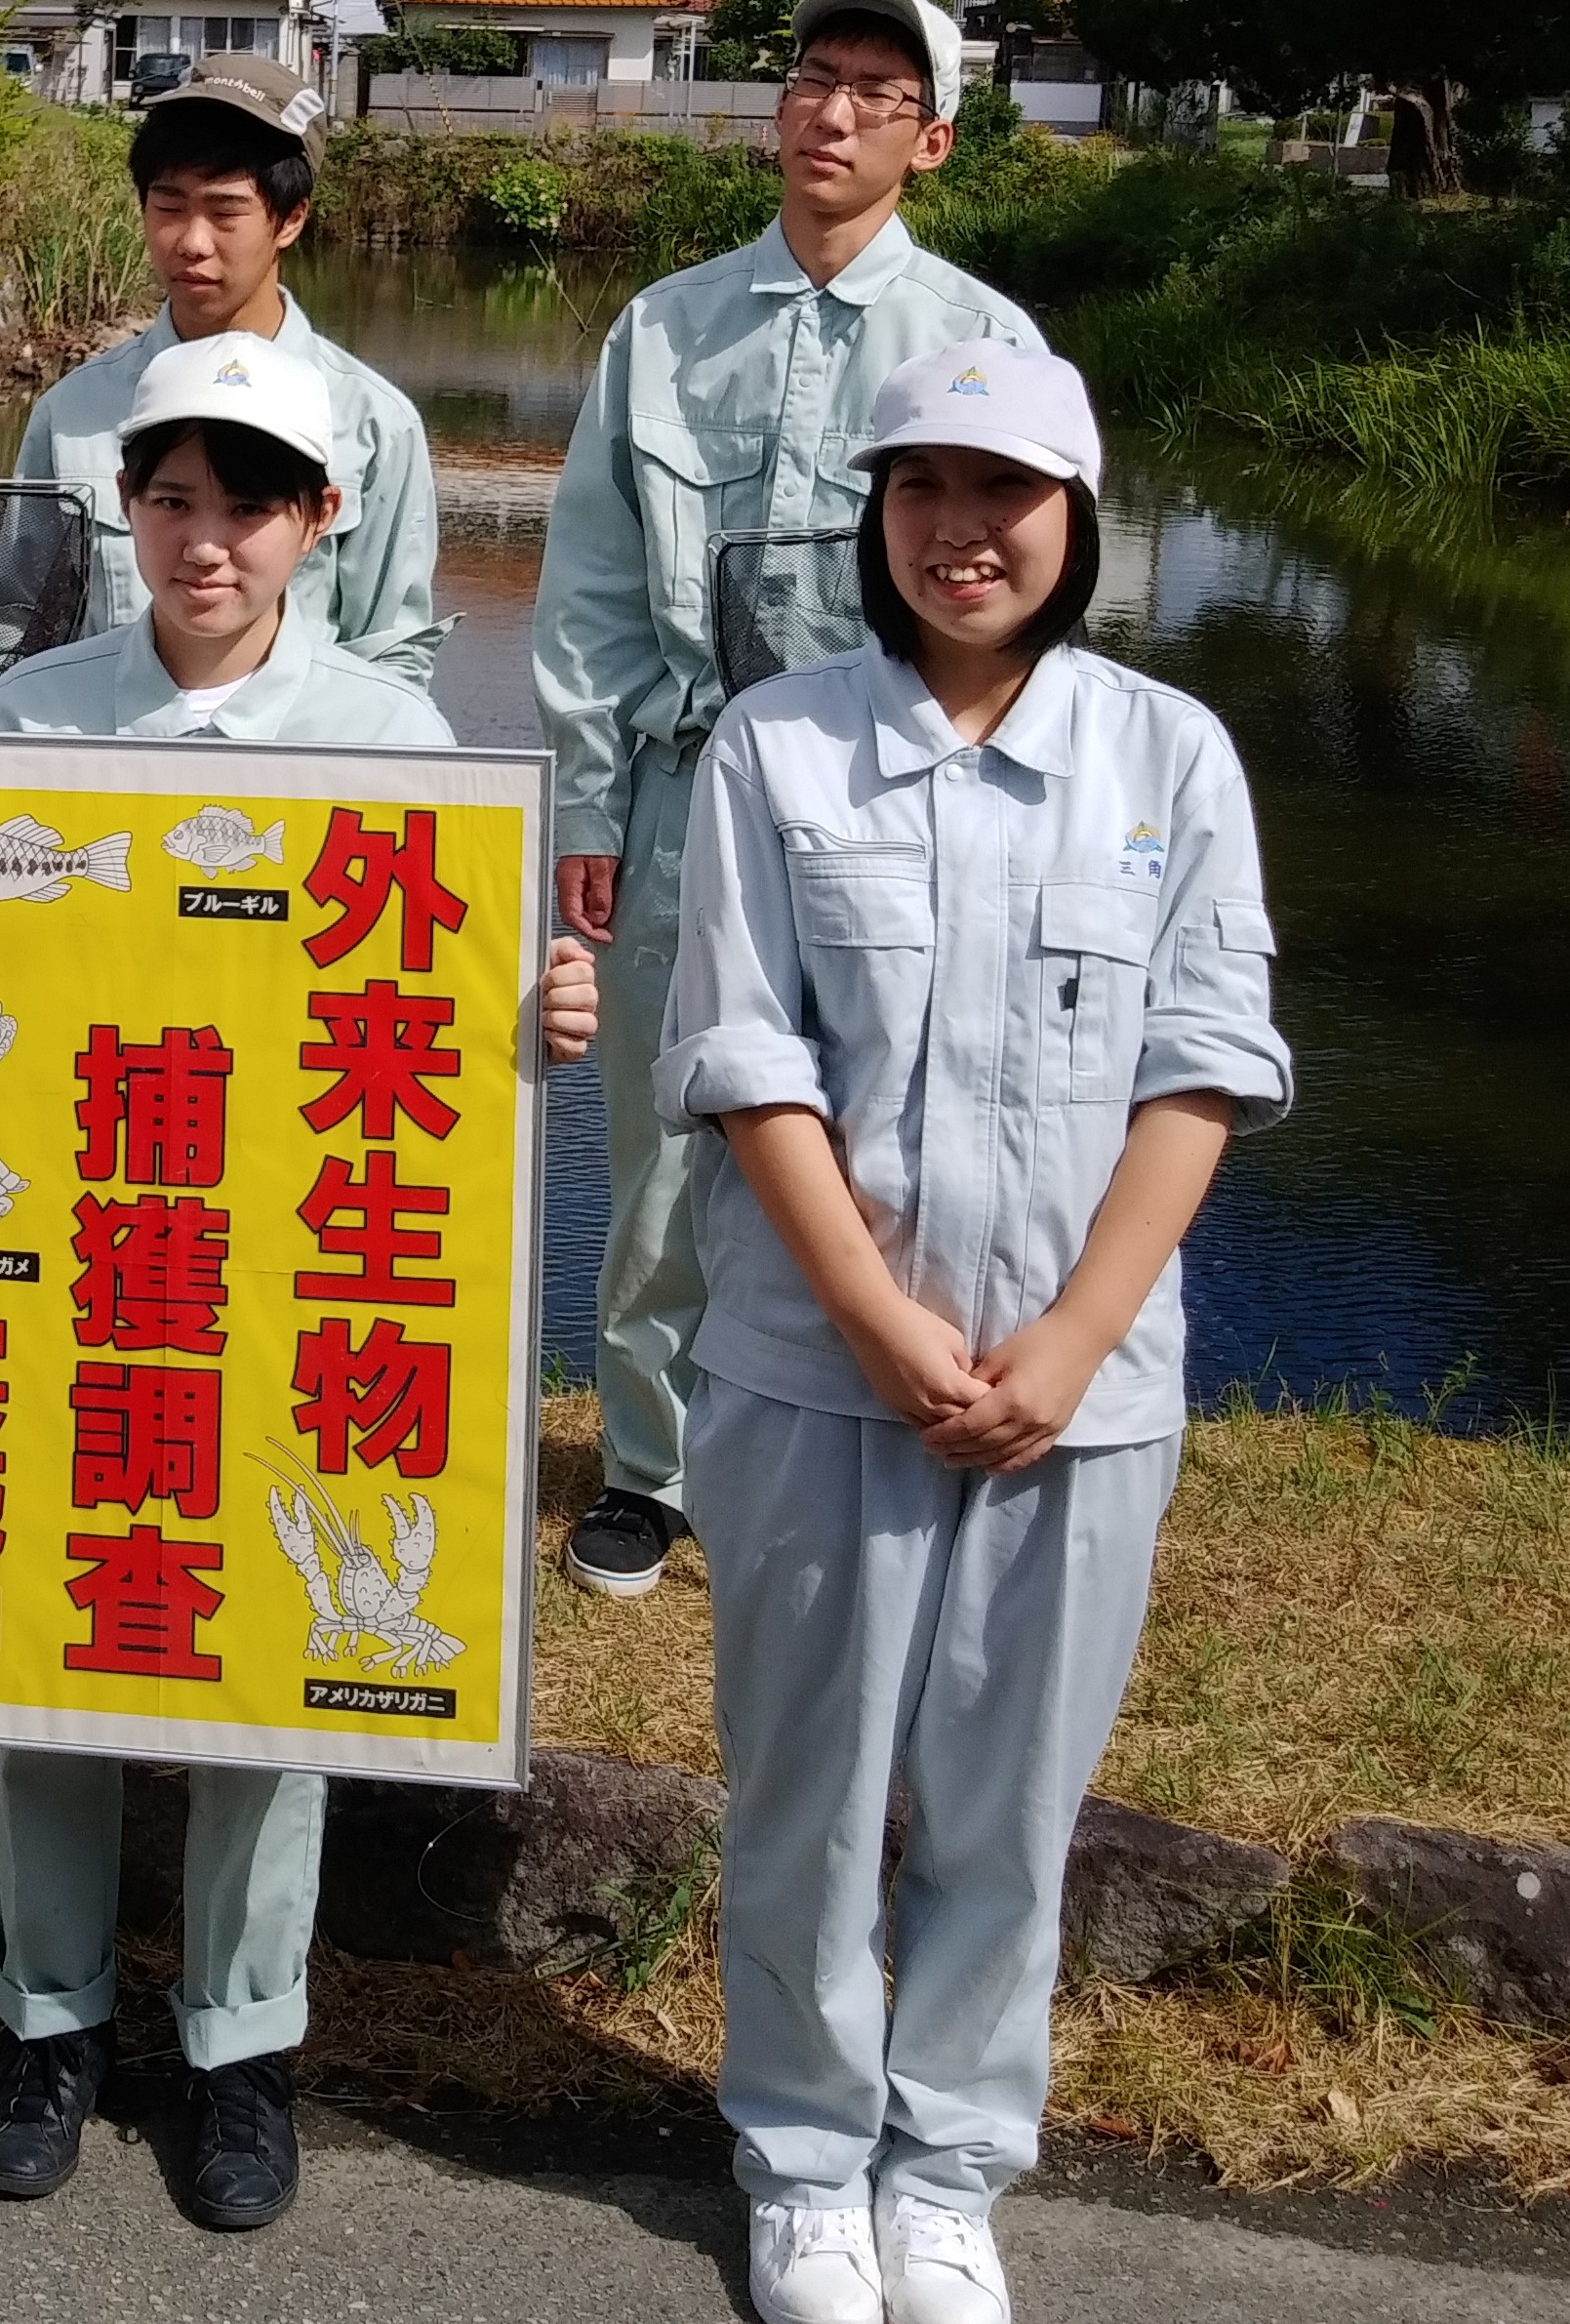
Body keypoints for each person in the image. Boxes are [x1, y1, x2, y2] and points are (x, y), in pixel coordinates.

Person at [0, 335, 597, 2233]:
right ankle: (40, 2022)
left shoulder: (396, 747)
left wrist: (534, 1017)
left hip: (270, 1287)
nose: (200, 539)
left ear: (317, 518)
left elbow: (433, 1041)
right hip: (78, 1270)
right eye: (166, 499)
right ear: (121, 511)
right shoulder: (28, 711)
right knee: (48, 1641)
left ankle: (237, 2048)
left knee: (261, 1671)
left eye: (242, 502)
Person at [655, 343, 1286, 2324]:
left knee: (1007, 1805)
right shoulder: (772, 749)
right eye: (916, 490)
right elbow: (748, 1060)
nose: (956, 533)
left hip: (1075, 1400)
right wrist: (867, 1313)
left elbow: (1198, 1067)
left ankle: (945, 2166)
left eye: (1000, 494)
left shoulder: (1165, 757)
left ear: (1073, 521)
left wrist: (1076, 1336)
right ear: (876, 521)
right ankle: (800, 2155)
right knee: (807, 1786)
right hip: (804, 1371)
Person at [532, 0, 1045, 1600]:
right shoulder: (662, 326)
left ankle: (878, 1412)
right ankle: (647, 1463)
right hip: (693, 790)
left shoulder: (982, 344)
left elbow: (1019, 590)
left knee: (901, 1115)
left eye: (874, 94)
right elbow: (592, 586)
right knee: (673, 1135)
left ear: (932, 138)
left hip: (901, 797)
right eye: (813, 78)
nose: (829, 113)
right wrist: (592, 808)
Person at [0, 61, 437, 686]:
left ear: (291, 220)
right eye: (168, 205)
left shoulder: (373, 422)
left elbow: (391, 653)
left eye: (225, 213)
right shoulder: (72, 413)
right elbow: (14, 631)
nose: (191, 241)